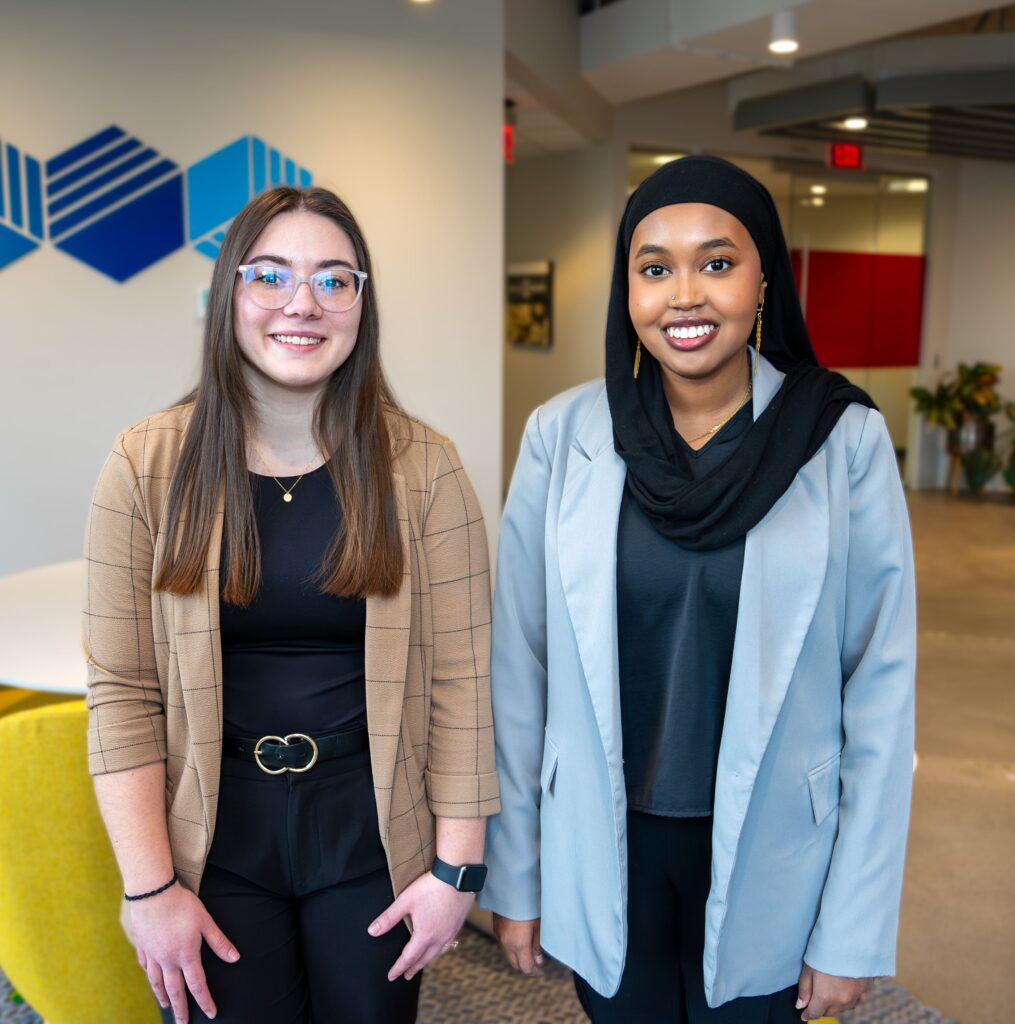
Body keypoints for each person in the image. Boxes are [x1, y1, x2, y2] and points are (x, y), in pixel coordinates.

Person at [480, 155, 915, 1023]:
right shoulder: (561, 437)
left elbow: (880, 693)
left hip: (775, 845)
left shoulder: (841, 441)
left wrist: (850, 928)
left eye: (717, 263)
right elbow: (516, 673)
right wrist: (518, 875)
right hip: (603, 842)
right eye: (654, 268)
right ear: (627, 291)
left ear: (763, 283)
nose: (685, 294)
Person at [84, 186, 499, 1024]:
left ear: (360, 302)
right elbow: (122, 692)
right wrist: (149, 887)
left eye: (333, 280)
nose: (302, 305)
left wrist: (457, 872)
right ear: (229, 297)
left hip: (373, 836)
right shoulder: (145, 463)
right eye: (269, 276)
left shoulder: (426, 467)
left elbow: (461, 682)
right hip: (211, 838)